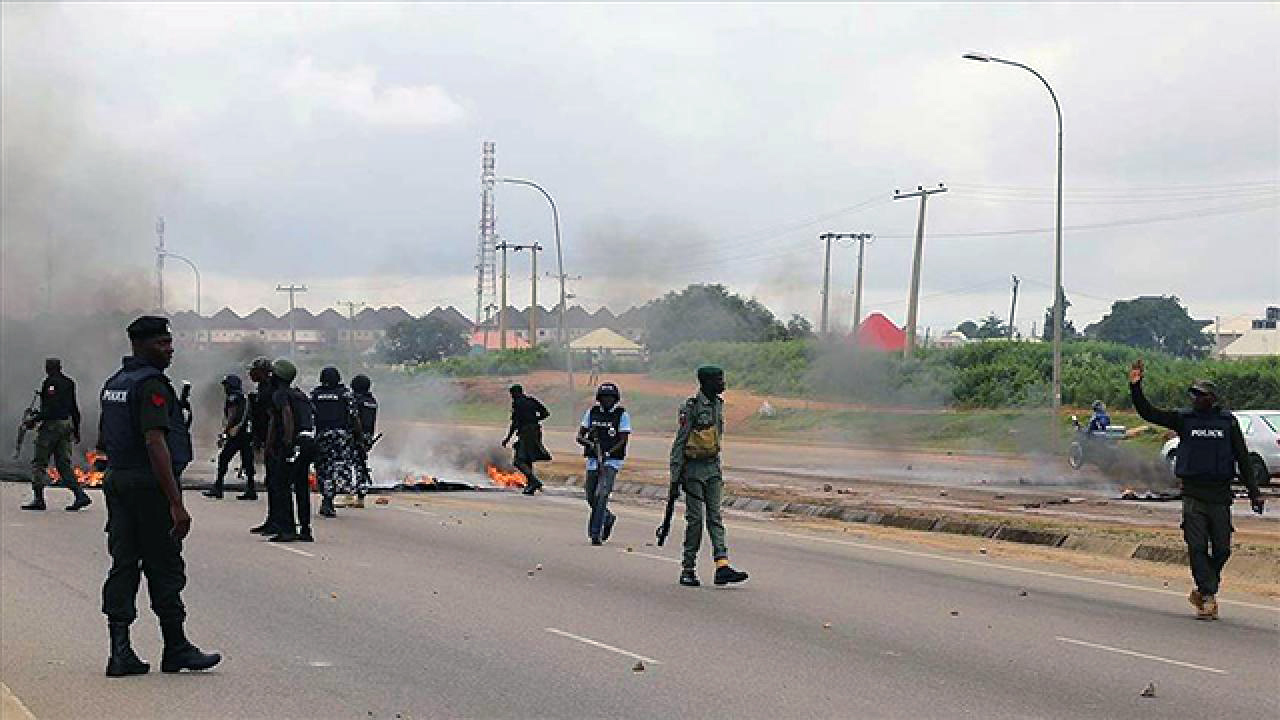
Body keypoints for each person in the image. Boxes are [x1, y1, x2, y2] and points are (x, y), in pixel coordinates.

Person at [97, 315, 220, 676]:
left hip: (118, 481)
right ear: (141, 344)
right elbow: (156, 442)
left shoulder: (114, 383)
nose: (169, 350)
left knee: (123, 563)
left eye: (169, 342)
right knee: (164, 564)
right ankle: (176, 647)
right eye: (161, 343)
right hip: (148, 486)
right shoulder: (151, 384)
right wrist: (176, 502)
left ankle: (120, 652)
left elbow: (105, 438)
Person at [1128, 359, 1264, 620]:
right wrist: (1136, 386)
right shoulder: (1184, 419)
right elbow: (1149, 413)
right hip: (1193, 495)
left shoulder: (1228, 423)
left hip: (1220, 496)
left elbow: (1243, 459)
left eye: (1200, 395)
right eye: (1193, 394)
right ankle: (1208, 596)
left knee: (1223, 549)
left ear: (1212, 398)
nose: (1195, 398)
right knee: (1197, 546)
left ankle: (1204, 588)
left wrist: (1255, 492)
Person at [669, 366, 748, 587]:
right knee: (695, 521)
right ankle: (688, 568)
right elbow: (680, 442)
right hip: (692, 471)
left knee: (715, 517)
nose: (723, 384)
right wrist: (675, 477)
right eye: (718, 380)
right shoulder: (691, 408)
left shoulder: (718, 405)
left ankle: (722, 565)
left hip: (712, 468)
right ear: (705, 383)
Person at [22, 357, 93, 512]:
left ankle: (39, 499)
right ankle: (80, 495)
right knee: (63, 465)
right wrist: (77, 429)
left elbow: (51, 409)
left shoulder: (50, 383)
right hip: (66, 425)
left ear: (48, 368)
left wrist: (34, 419)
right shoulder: (69, 383)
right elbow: (74, 408)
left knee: (39, 463)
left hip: (51, 427)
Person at [267, 358, 316, 543]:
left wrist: (286, 443)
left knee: (282, 486)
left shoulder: (281, 394)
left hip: (295, 443)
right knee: (301, 487)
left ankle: (287, 529)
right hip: (309, 442)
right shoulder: (300, 394)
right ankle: (305, 529)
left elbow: (286, 415)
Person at [577, 382, 630, 545]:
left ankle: (595, 533)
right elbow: (580, 436)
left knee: (602, 495)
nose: (607, 401)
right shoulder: (592, 413)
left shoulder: (621, 415)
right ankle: (607, 517)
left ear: (616, 400)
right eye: (604, 398)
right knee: (590, 495)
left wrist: (608, 453)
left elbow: (623, 440)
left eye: (610, 398)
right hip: (593, 460)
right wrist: (590, 444)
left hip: (612, 461)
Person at [310, 366, 355, 518]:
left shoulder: (315, 394)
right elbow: (354, 417)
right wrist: (359, 438)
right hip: (341, 437)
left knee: (323, 469)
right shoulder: (345, 394)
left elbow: (310, 417)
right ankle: (329, 498)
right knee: (338, 468)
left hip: (322, 436)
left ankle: (327, 498)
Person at [204, 374, 253, 500]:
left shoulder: (233, 397)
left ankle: (218, 487)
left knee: (223, 458)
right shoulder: (244, 397)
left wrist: (225, 432)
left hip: (236, 434)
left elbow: (232, 415)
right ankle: (251, 489)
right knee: (247, 461)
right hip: (247, 434)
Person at [248, 357, 283, 530]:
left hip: (274, 442)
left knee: (276, 482)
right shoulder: (263, 389)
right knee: (271, 481)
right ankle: (272, 519)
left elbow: (272, 420)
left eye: (254, 370)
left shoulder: (271, 391)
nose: (251, 373)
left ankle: (278, 521)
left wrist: (268, 444)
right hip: (267, 440)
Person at [501, 384, 551, 495]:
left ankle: (534, 481)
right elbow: (546, 413)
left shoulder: (518, 404)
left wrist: (507, 438)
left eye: (512, 394)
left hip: (526, 433)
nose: (512, 397)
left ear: (516, 393)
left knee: (518, 461)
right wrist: (534, 420)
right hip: (536, 431)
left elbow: (515, 423)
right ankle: (530, 485)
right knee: (527, 459)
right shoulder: (531, 401)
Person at [350, 374, 378, 504]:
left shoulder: (356, 400)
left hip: (355, 435)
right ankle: (360, 496)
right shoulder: (372, 401)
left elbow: (354, 419)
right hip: (368, 436)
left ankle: (350, 494)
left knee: (349, 465)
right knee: (361, 464)